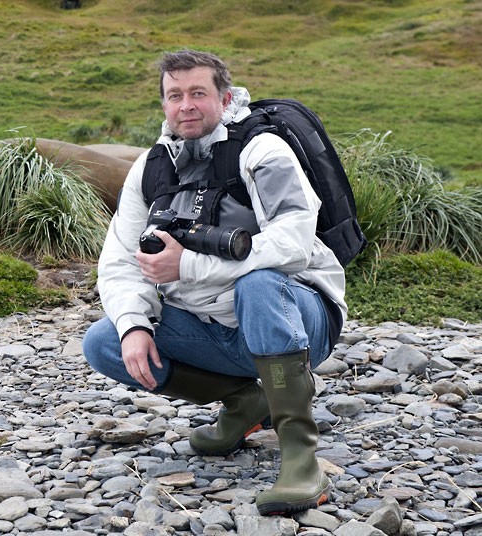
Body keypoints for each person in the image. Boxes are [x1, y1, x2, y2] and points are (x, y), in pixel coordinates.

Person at [82, 49, 346, 516]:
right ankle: (247, 399)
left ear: (224, 99)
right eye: (174, 95)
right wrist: (134, 324)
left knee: (259, 285)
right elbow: (120, 262)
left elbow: (293, 245)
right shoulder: (151, 167)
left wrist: (188, 267)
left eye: (198, 93)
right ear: (163, 104)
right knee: (105, 340)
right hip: (213, 325)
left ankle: (302, 461)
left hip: (297, 316)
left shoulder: (264, 150)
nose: (186, 105)